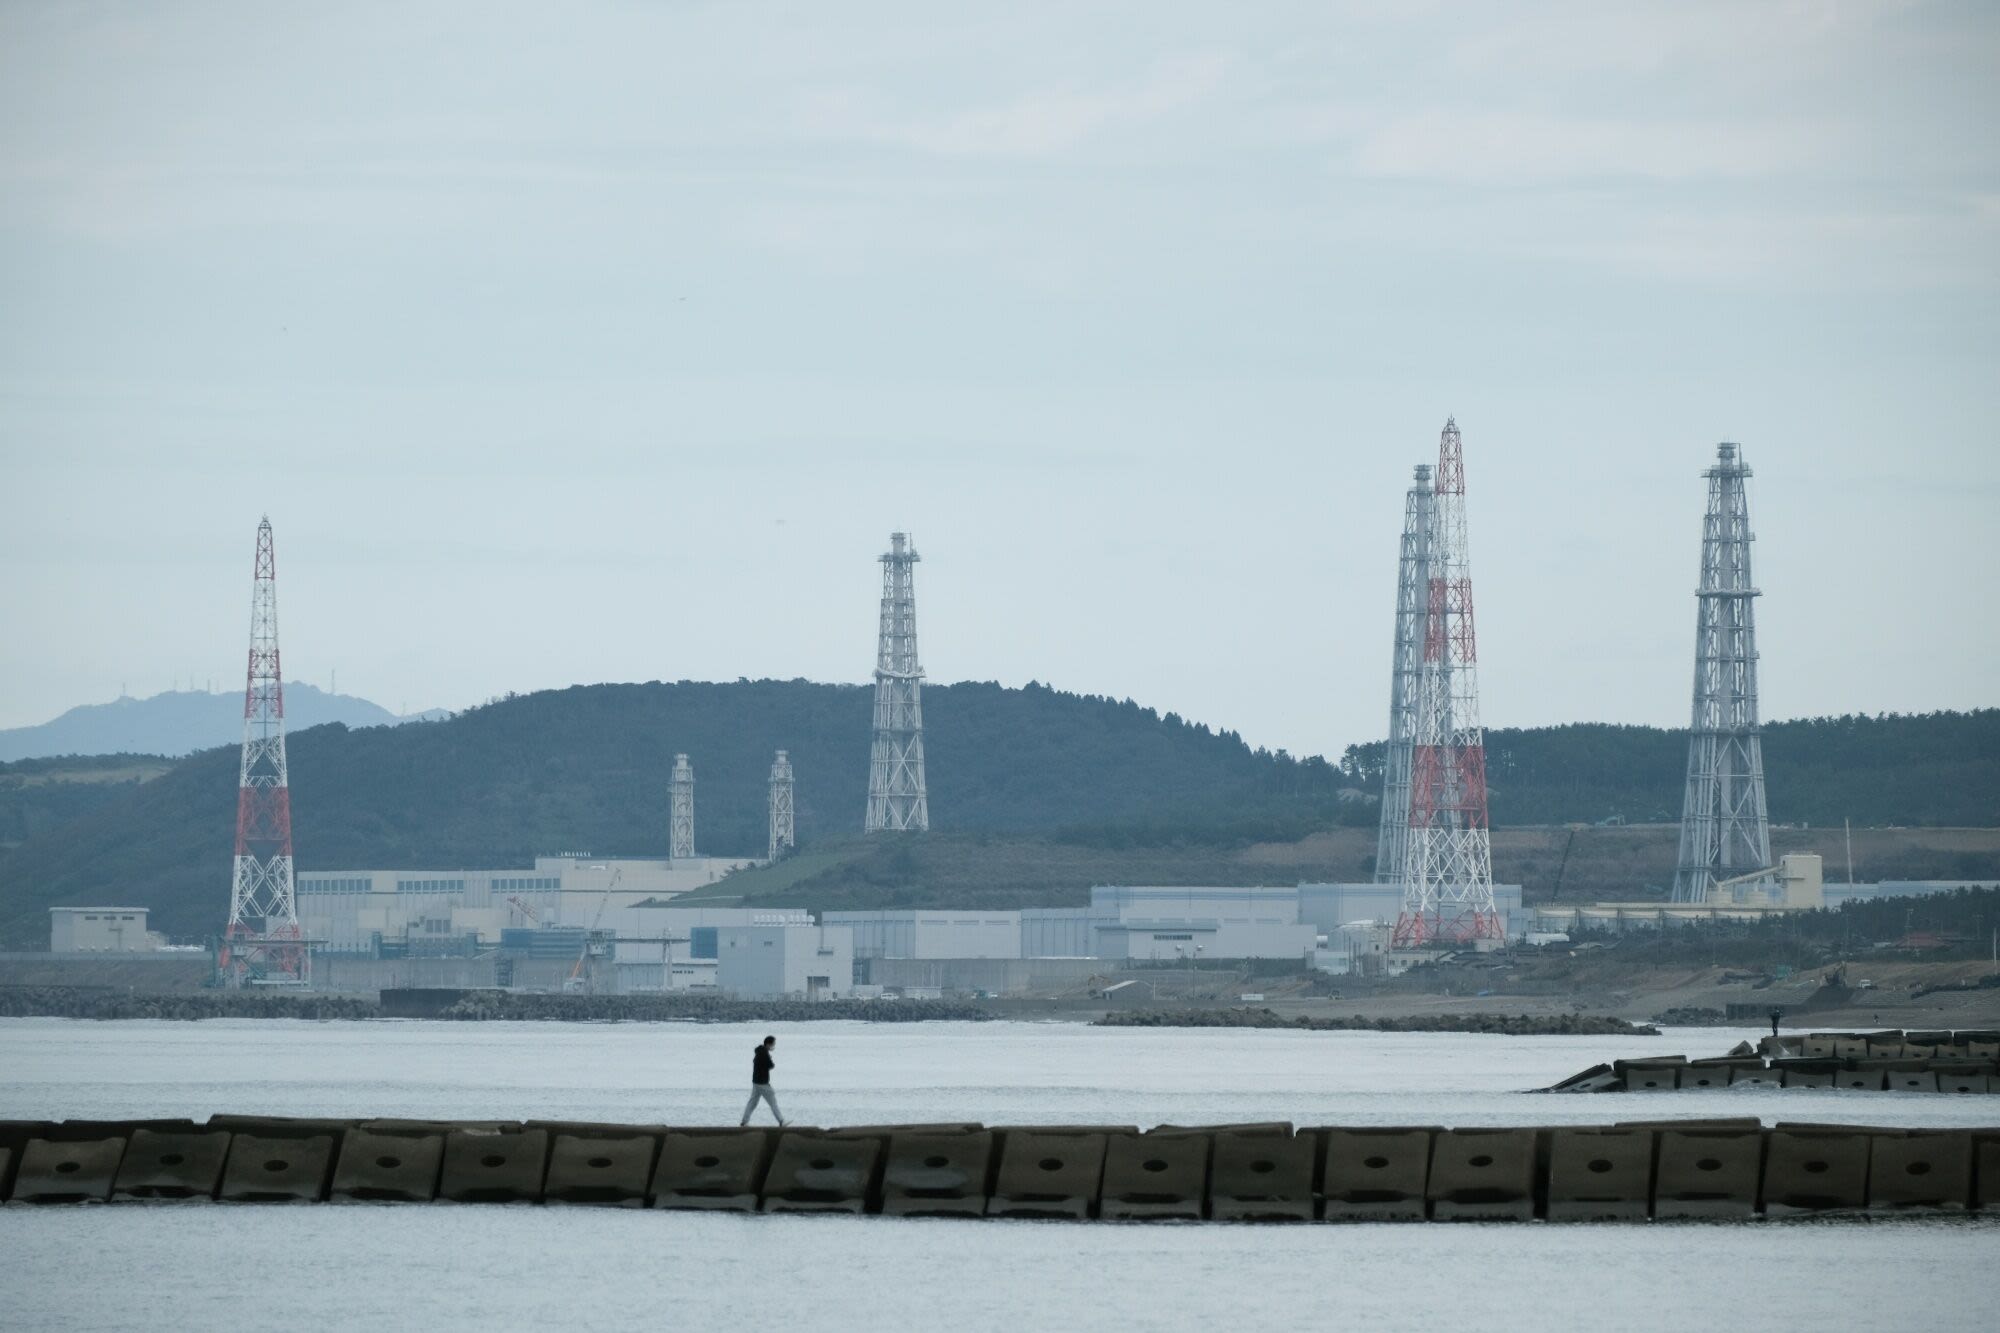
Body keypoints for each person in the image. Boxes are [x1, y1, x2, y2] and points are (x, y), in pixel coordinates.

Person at [740, 1034, 787, 1126]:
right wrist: (770, 1060)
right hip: (762, 1083)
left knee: (752, 1103)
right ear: (768, 1044)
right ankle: (781, 1121)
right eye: (773, 1044)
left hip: (756, 1082)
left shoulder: (759, 1052)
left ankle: (744, 1122)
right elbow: (771, 1065)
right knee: (773, 1102)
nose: (774, 1046)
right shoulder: (764, 1053)